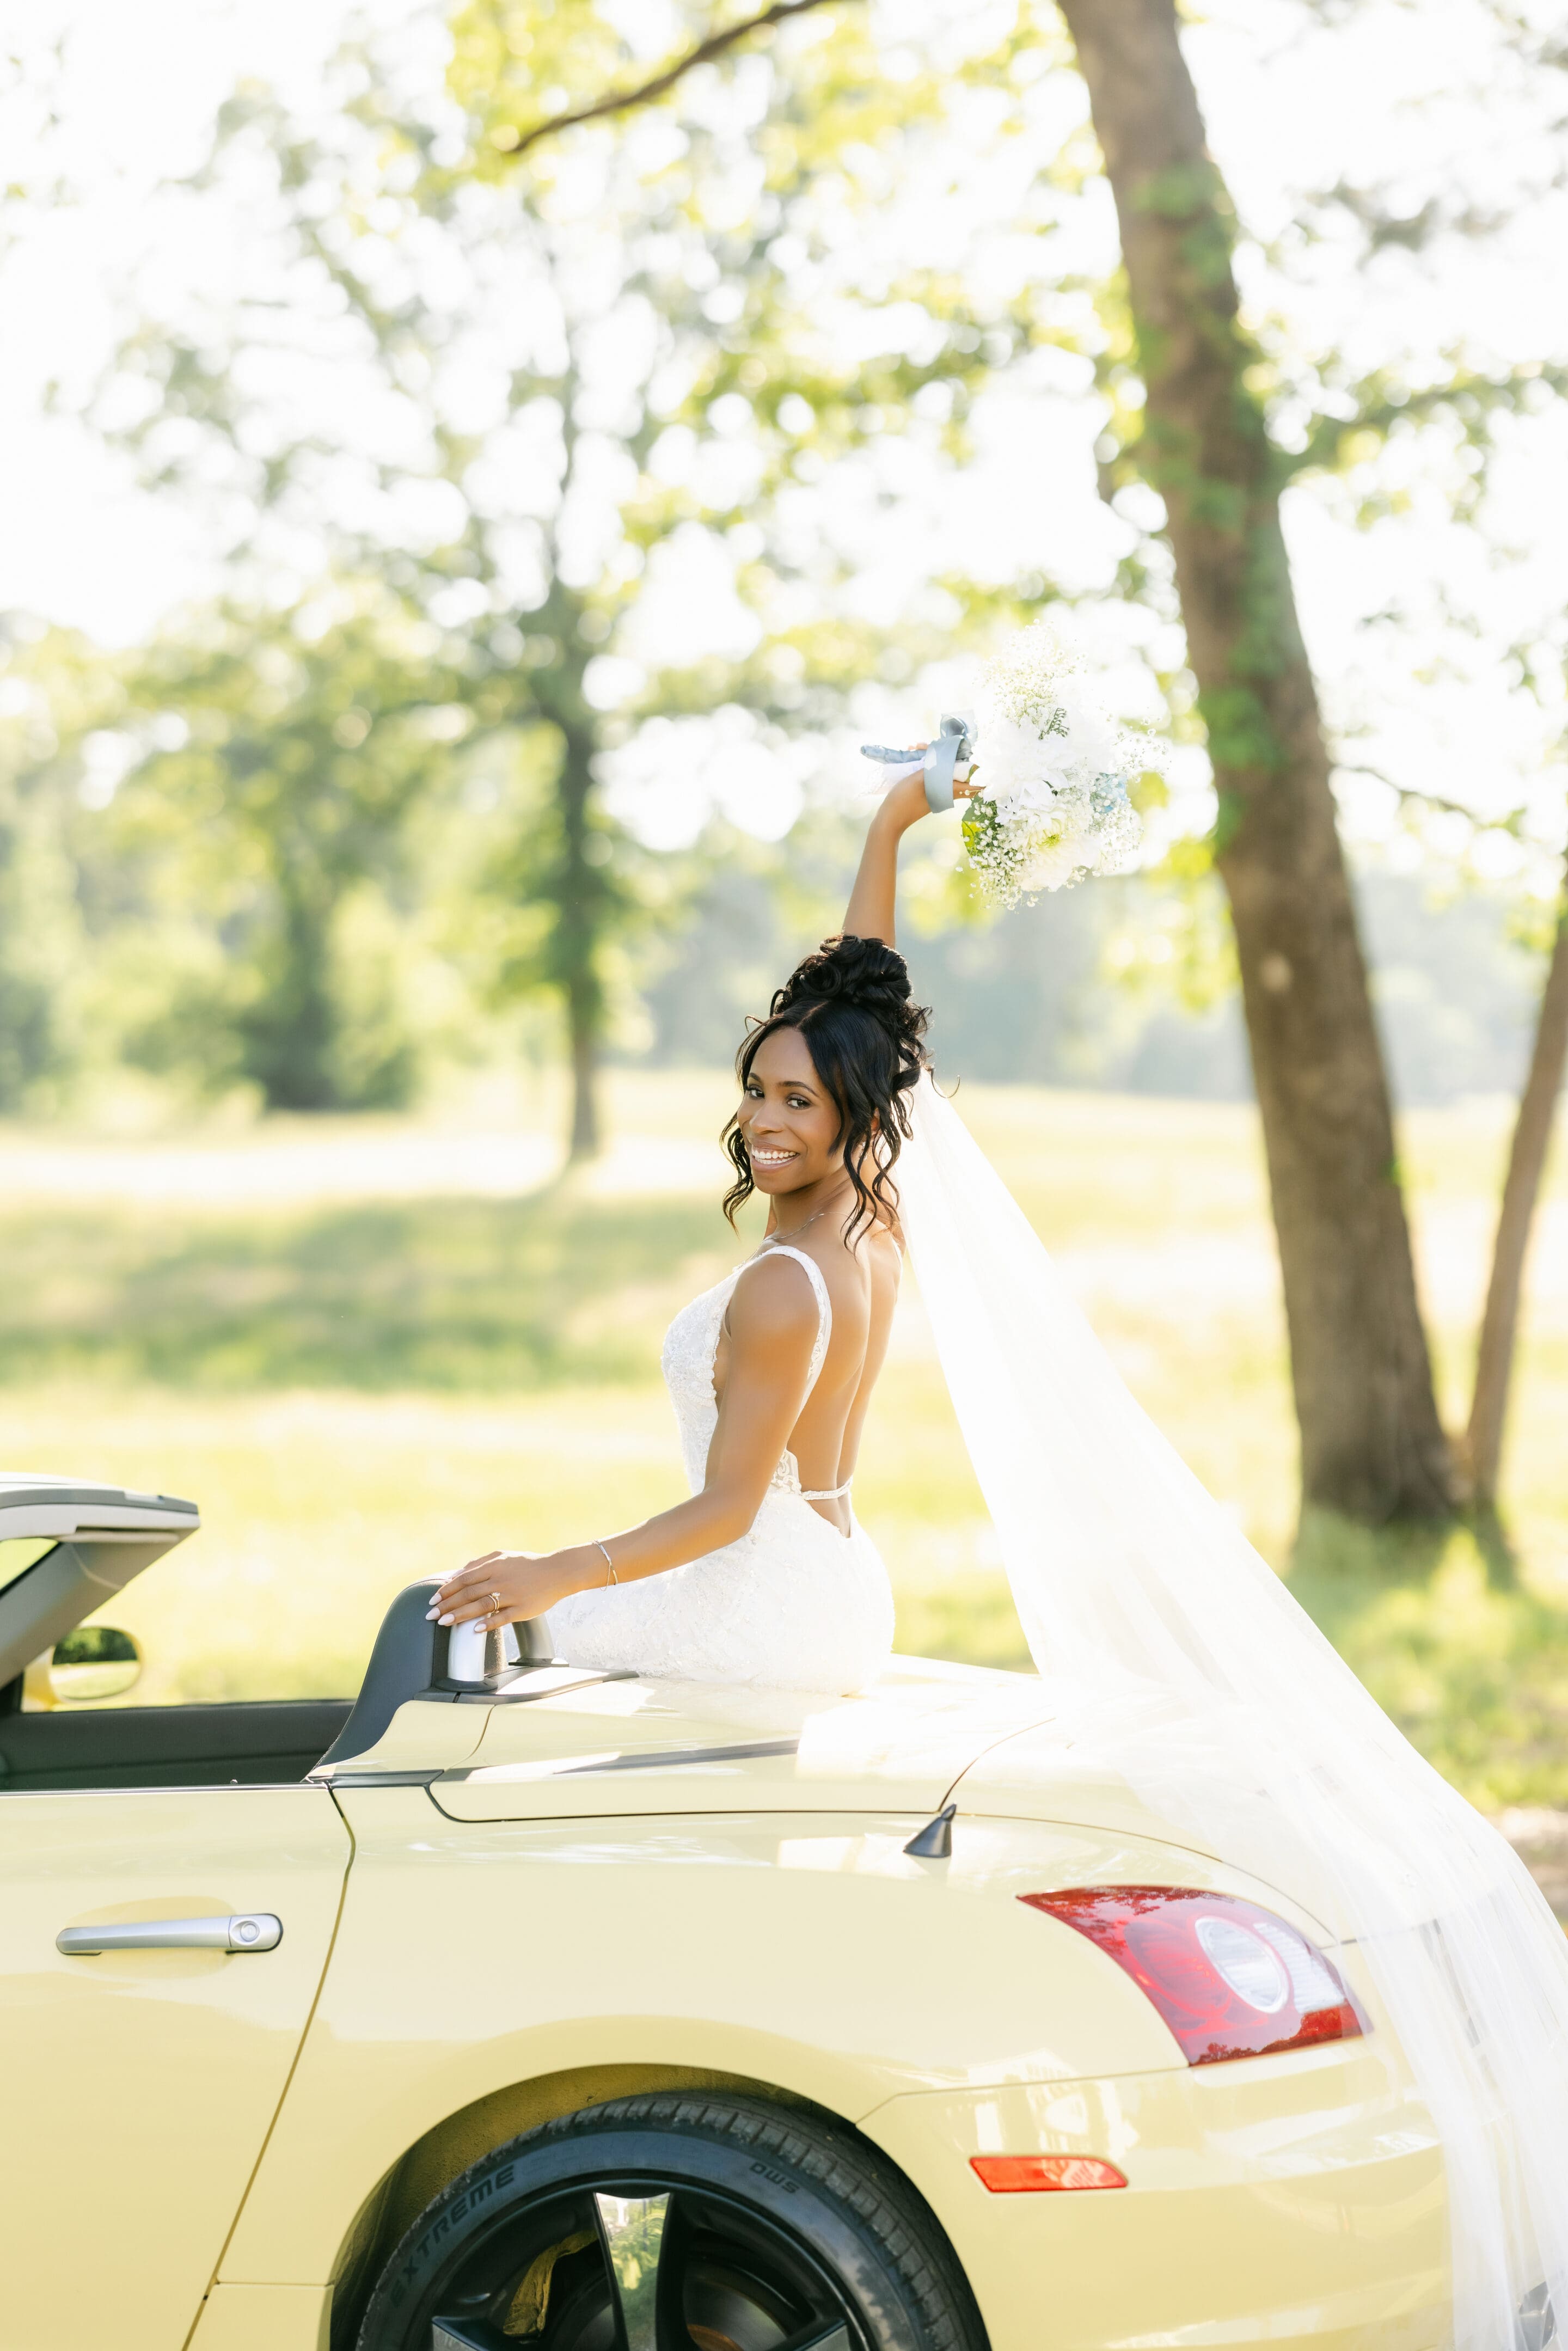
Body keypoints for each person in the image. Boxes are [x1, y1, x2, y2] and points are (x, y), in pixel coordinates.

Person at [428, 762, 957, 1692]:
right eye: (758, 1090)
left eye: (800, 1100)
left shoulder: (785, 1284)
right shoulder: (872, 1215)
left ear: (855, 1113)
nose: (764, 1120)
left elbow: (729, 1509)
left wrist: (556, 1572)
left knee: (474, 1636)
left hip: (761, 1603)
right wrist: (892, 824)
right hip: (840, 1585)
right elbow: (869, 1010)